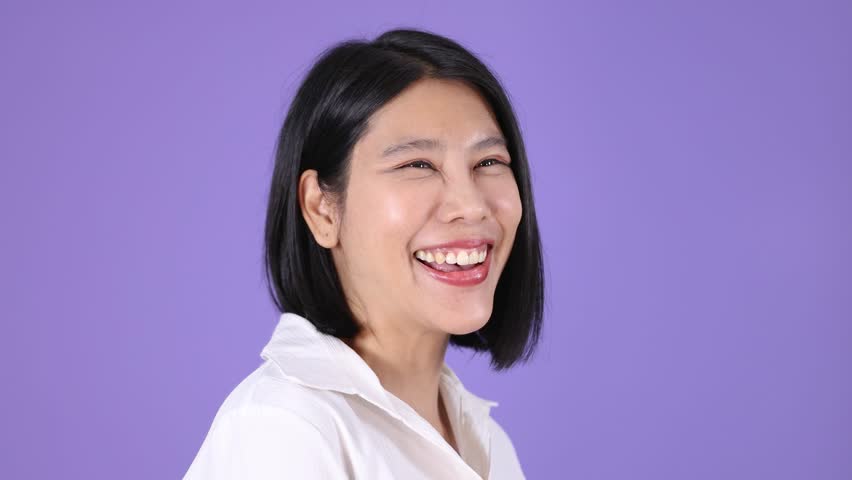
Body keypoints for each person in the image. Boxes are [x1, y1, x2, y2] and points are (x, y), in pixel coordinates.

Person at [184, 27, 544, 479]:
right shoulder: (284, 430)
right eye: (417, 165)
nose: (471, 205)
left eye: (488, 162)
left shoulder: (488, 444)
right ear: (322, 208)